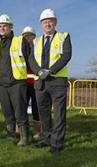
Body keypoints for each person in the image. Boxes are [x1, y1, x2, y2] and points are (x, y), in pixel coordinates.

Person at [29, 9, 72, 153]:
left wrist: (51, 70)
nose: (48, 24)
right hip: (40, 82)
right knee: (44, 113)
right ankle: (47, 139)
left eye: (50, 21)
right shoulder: (36, 41)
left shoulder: (63, 36)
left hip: (57, 81)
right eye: (45, 22)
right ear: (41, 24)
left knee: (59, 113)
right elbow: (31, 59)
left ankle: (57, 143)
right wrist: (38, 71)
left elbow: (66, 56)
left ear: (55, 22)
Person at [0, 14, 30, 146]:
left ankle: (24, 137)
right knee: (7, 111)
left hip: (17, 82)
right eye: (0, 26)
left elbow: (30, 59)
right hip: (1, 83)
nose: (2, 28)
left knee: (20, 111)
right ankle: (11, 134)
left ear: (11, 27)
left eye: (5, 26)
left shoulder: (20, 40)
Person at [21, 26, 41, 140]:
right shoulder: (19, 49)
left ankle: (37, 131)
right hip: (22, 83)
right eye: (25, 35)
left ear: (34, 37)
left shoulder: (38, 48)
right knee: (21, 107)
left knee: (36, 107)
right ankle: (21, 130)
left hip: (35, 82)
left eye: (29, 35)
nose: (27, 37)